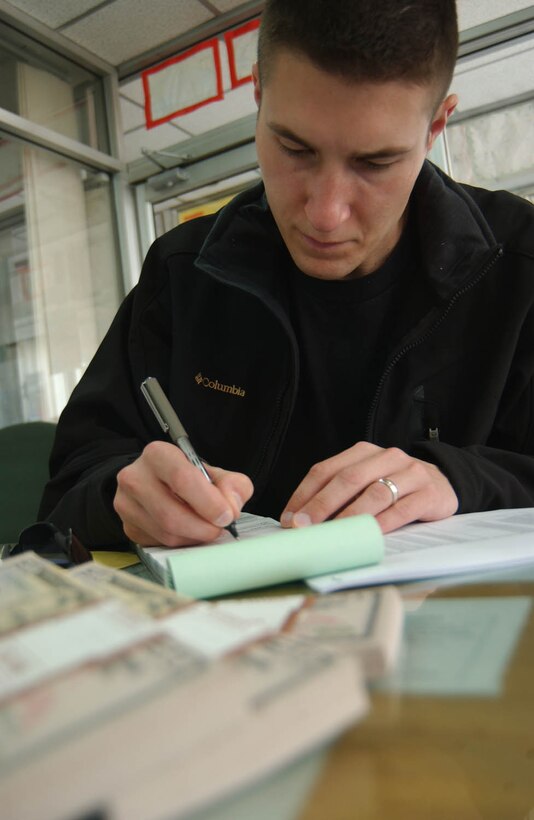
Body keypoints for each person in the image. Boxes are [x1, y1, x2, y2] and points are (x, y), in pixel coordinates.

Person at [39, 0, 534, 549]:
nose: (325, 214)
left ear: (436, 125)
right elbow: (66, 489)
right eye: (294, 148)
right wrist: (118, 496)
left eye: (375, 164)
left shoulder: (520, 269)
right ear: (258, 96)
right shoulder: (181, 275)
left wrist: (461, 479)